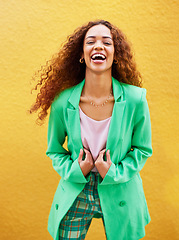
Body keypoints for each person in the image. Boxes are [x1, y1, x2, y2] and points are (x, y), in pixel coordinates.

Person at [30, 19, 152, 240]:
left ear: (116, 55)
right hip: (77, 188)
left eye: (107, 42)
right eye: (90, 42)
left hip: (120, 187)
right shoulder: (62, 102)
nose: (98, 46)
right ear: (81, 54)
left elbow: (142, 149)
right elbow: (54, 151)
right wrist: (78, 169)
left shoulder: (136, 99)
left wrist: (112, 172)